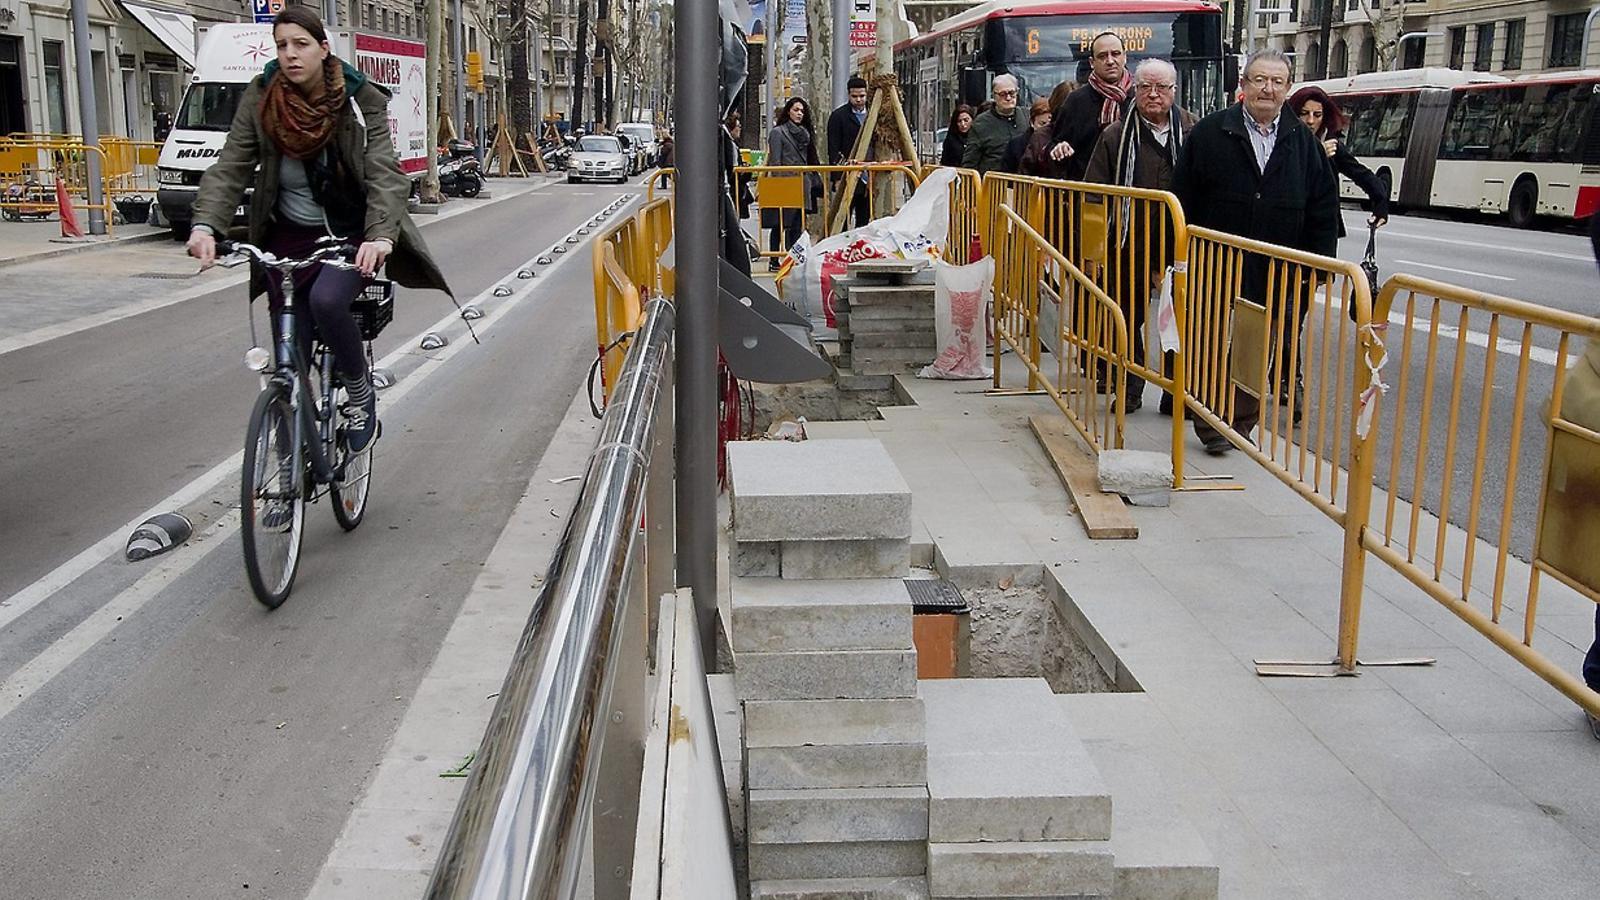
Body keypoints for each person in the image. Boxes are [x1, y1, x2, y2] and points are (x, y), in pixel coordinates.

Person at [187, 6, 450, 454]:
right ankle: (289, 474)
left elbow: (385, 173)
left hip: (348, 232)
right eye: (282, 46)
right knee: (288, 351)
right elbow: (231, 165)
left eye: (301, 44)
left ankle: (360, 393)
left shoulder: (358, 98)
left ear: (324, 49)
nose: (290, 55)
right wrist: (206, 225)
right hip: (285, 237)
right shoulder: (262, 97)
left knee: (328, 302)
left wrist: (380, 236)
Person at [1171, 48, 1339, 455]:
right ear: (1243, 85)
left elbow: (1323, 206)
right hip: (1215, 258)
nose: (1267, 88)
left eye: (1277, 82)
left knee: (1255, 345)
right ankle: (1209, 417)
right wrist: (1175, 257)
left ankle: (1240, 422)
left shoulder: (1302, 141)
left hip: (1275, 264)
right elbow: (1181, 196)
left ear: (1288, 89)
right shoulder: (1211, 132)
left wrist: (1317, 267)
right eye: (1259, 80)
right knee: (1208, 339)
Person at [1083, 58, 1197, 414]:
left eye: (1161, 88)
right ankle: (1130, 386)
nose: (1153, 95)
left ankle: (1174, 391)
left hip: (1178, 244)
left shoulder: (1193, 130)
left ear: (1173, 92)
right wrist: (1093, 251)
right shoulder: (1115, 135)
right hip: (1127, 241)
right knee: (1127, 318)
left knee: (1178, 319)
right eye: (1146, 86)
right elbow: (1093, 195)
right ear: (1135, 89)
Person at [1288, 85, 1390, 235]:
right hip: (1292, 225)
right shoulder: (1284, 141)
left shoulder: (1331, 143)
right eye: (1304, 114)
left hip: (1324, 227)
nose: (1310, 121)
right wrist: (1318, 154)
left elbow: (1360, 173)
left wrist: (1380, 203)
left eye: (1317, 115)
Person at [1047, 31, 1132, 181]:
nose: (1110, 61)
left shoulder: (1139, 97)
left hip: (1133, 192)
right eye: (1103, 56)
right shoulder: (1075, 101)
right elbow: (1056, 143)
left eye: (1116, 54)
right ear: (1092, 62)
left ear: (1125, 57)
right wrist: (1060, 149)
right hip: (1088, 192)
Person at [765, 96, 820, 271]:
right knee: (779, 224)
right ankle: (774, 259)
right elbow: (775, 161)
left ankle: (794, 258)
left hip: (802, 183)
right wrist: (781, 180)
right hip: (784, 183)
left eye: (802, 111)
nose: (799, 114)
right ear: (788, 111)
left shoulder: (805, 134)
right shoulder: (778, 133)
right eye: (796, 110)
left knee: (797, 223)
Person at [827, 75, 872, 228]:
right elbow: (833, 149)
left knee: (864, 219)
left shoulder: (873, 114)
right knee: (843, 219)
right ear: (848, 95)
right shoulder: (838, 116)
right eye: (855, 96)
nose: (859, 100)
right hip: (848, 175)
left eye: (862, 96)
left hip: (870, 175)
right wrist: (839, 175)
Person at [963, 74, 1026, 174]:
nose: (1008, 98)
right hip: (993, 185)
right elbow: (970, 163)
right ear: (994, 95)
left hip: (1023, 184)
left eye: (1012, 93)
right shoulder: (981, 123)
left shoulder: (1026, 116)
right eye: (1003, 94)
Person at [1001, 98, 1051, 174]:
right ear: (1032, 122)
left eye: (1050, 125)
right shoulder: (1015, 146)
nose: (1046, 129)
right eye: (1042, 124)